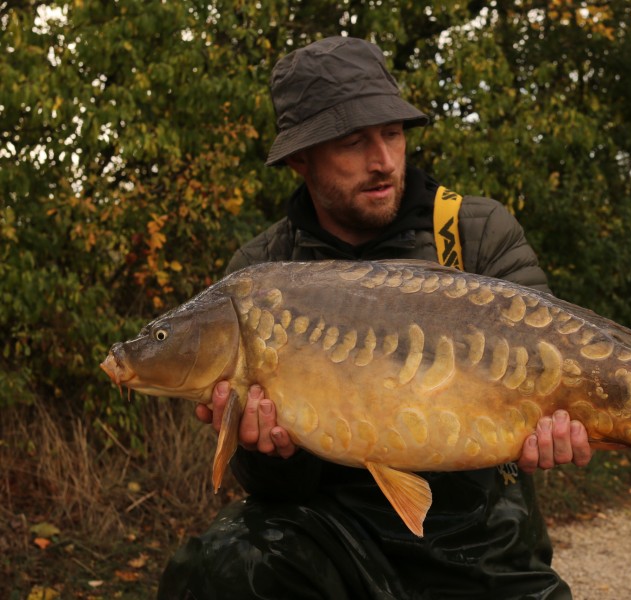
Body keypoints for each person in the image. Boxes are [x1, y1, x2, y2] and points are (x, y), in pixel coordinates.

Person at [158, 36, 593, 600]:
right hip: (329, 533)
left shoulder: (472, 231)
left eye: (391, 133)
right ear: (299, 158)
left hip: (482, 540)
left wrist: (562, 427)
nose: (383, 160)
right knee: (220, 563)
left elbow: (557, 365)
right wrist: (271, 452)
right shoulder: (261, 273)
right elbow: (268, 488)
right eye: (352, 142)